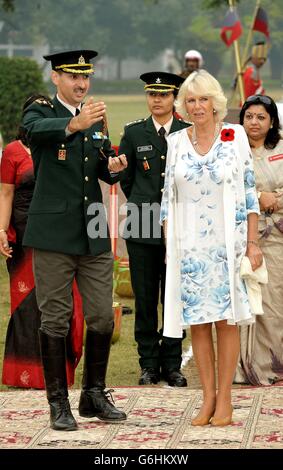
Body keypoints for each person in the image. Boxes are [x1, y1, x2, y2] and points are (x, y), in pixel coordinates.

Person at [22, 49, 128, 431]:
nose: (81, 84)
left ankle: (93, 394)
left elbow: (99, 163)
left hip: (93, 231)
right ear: (56, 78)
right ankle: (58, 403)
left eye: (86, 78)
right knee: (56, 318)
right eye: (73, 77)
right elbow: (33, 133)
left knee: (101, 314)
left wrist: (113, 168)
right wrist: (73, 123)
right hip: (54, 234)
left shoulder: (95, 117)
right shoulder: (40, 111)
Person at [160, 69, 263, 426]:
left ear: (215, 102)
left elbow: (250, 194)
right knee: (198, 323)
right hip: (188, 247)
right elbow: (165, 200)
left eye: (204, 99)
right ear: (184, 106)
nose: (198, 105)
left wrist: (252, 242)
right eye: (191, 100)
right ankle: (207, 398)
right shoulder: (175, 142)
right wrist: (169, 245)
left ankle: (226, 401)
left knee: (226, 320)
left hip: (228, 245)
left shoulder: (234, 138)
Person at [0, 94, 84, 389]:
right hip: (23, 237)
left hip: (58, 232)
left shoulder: (57, 144)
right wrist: (1, 230)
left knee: (61, 305)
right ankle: (23, 376)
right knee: (26, 306)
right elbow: (6, 193)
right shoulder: (12, 152)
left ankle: (57, 375)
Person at [119, 71, 189, 387]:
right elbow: (127, 179)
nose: (157, 100)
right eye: (152, 94)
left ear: (174, 98)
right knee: (145, 299)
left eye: (163, 94)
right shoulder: (134, 133)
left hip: (181, 227)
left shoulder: (188, 133)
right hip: (143, 223)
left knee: (174, 298)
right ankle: (148, 364)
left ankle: (172, 364)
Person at [237, 95, 283, 385]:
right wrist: (256, 198)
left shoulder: (281, 148)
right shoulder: (232, 150)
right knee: (249, 301)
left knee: (275, 301)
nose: (254, 122)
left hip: (278, 235)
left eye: (261, 117)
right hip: (245, 236)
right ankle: (249, 366)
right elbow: (225, 190)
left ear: (271, 122)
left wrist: (275, 199)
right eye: (249, 116)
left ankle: (275, 363)